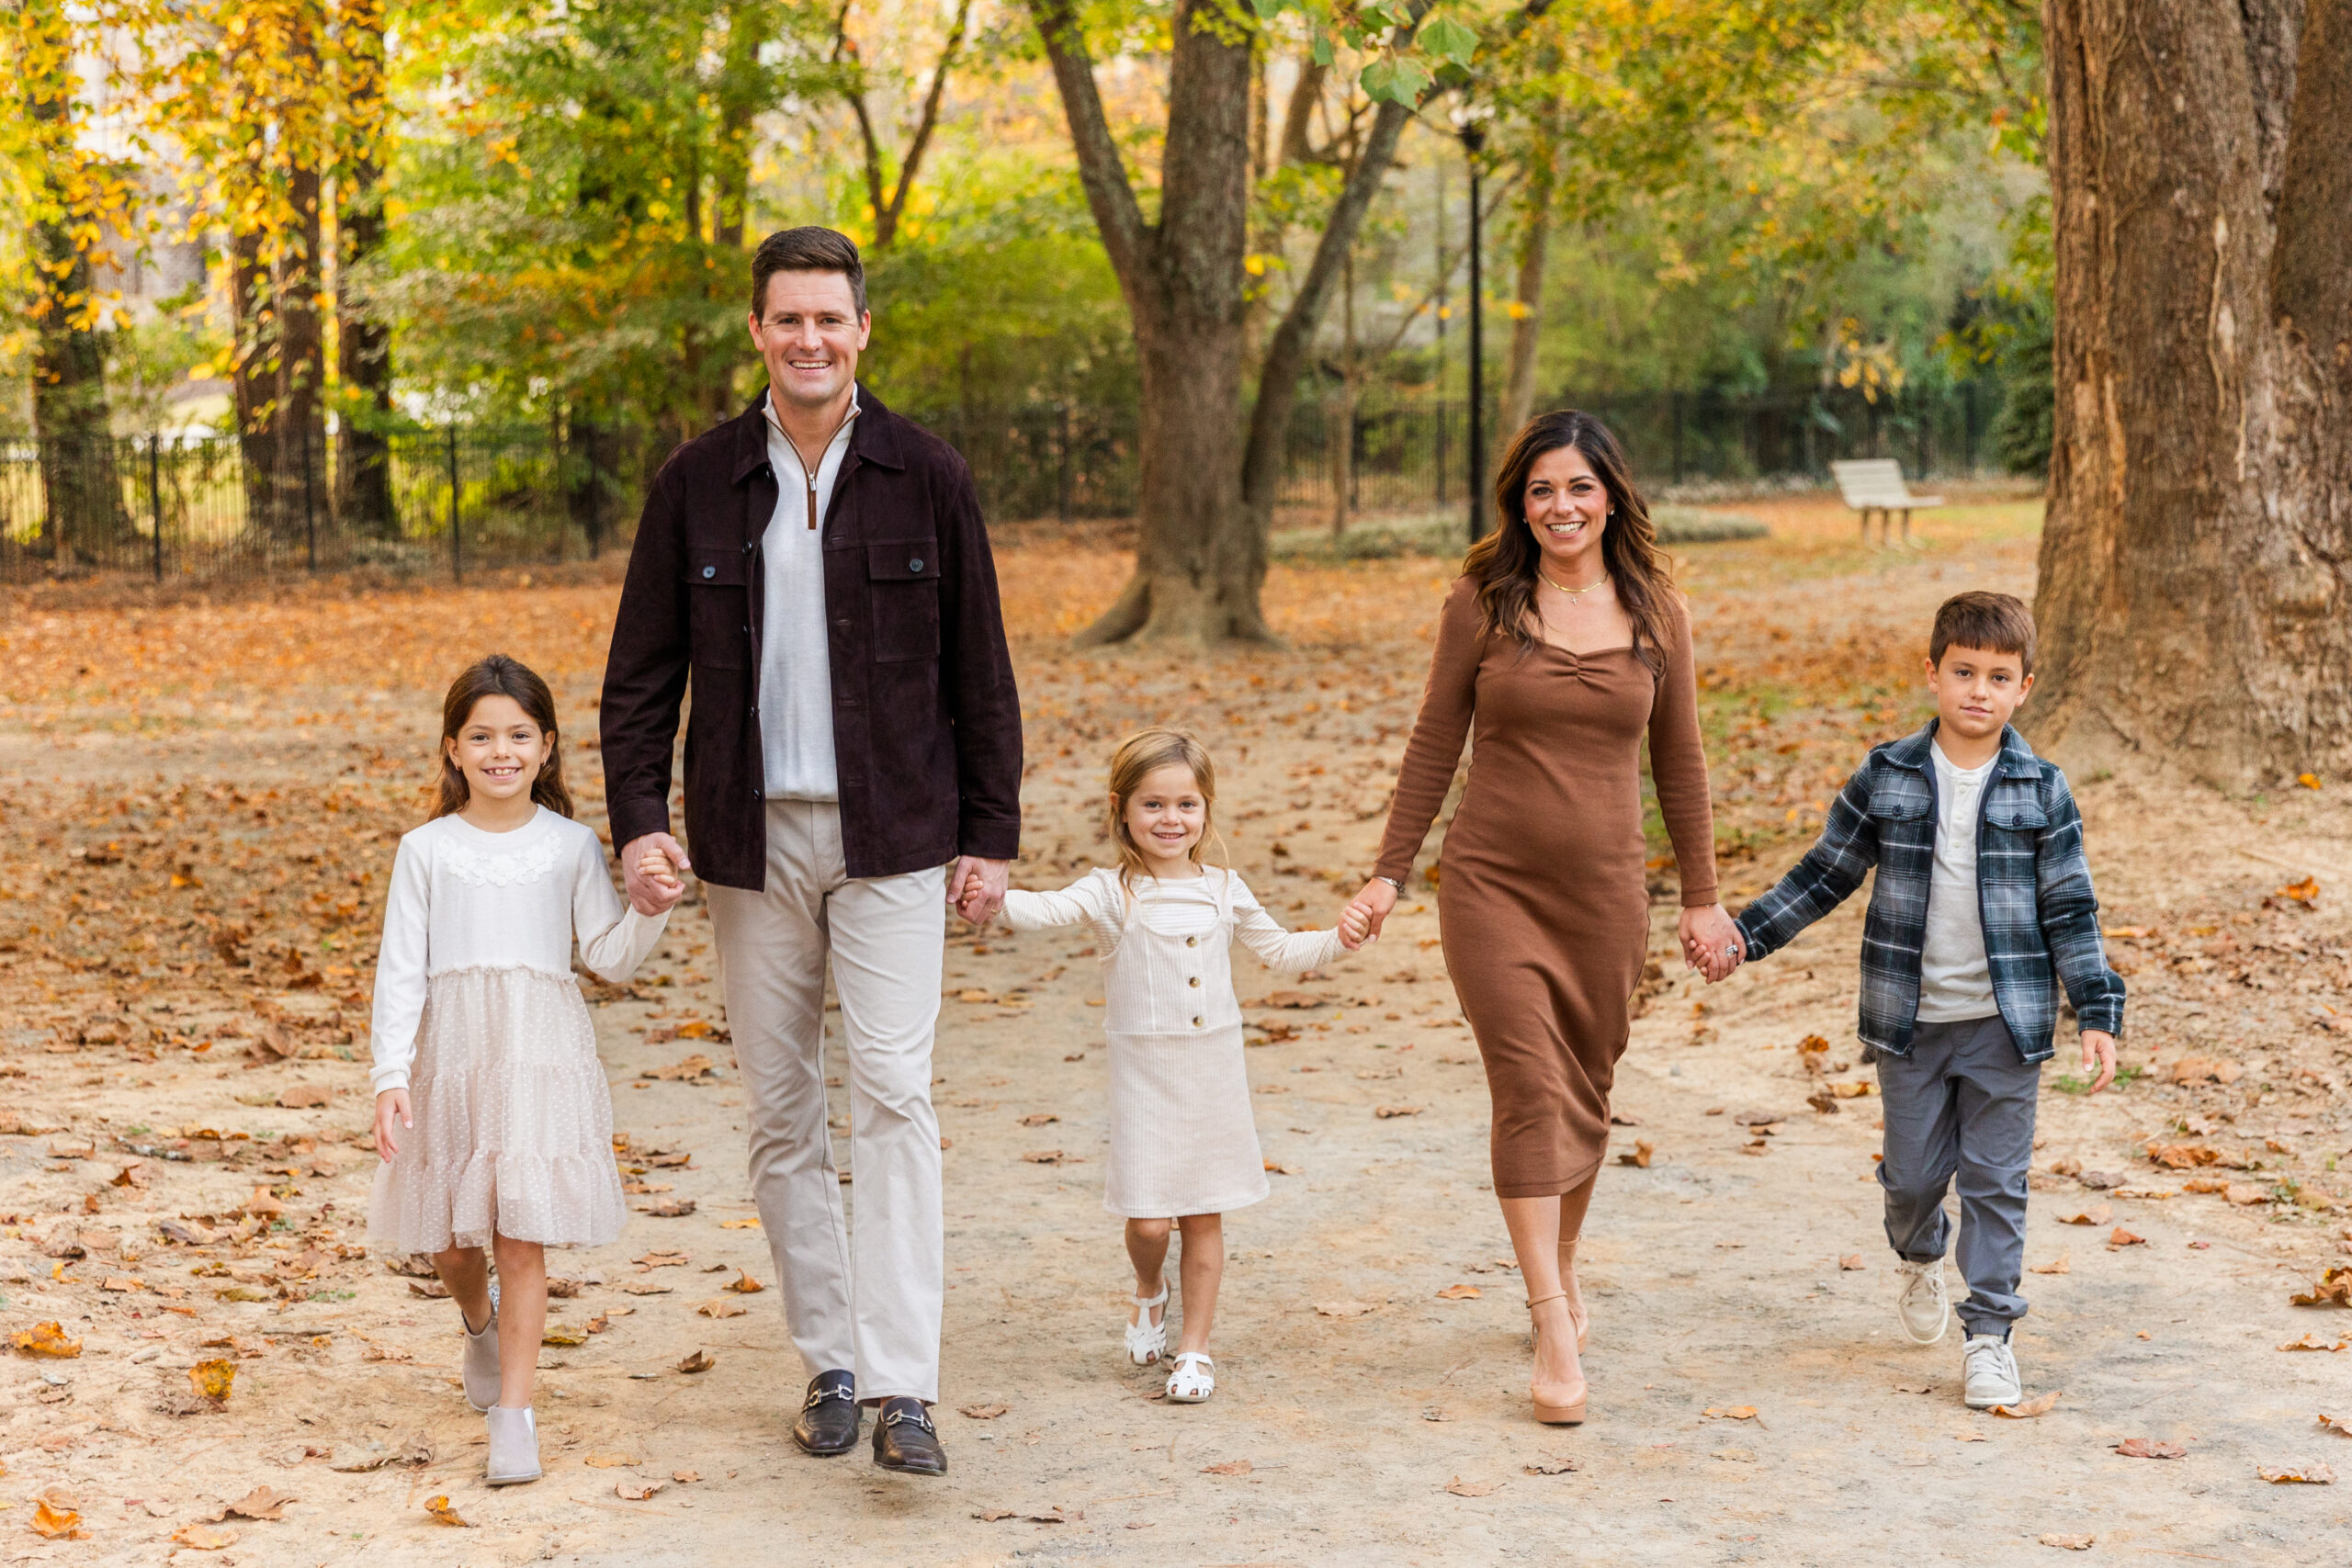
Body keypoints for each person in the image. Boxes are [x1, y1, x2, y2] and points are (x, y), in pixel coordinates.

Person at [599, 225, 1021, 1478]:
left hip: (895, 838)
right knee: (783, 1109)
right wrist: (639, 817)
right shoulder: (698, 481)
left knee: (894, 1094)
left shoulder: (927, 476)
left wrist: (989, 836)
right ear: (758, 334)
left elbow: (981, 673)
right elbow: (640, 676)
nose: (810, 339)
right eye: (788, 319)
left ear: (863, 330)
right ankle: (829, 1361)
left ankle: (904, 1384)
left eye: (830, 318)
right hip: (748, 839)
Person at [1342, 410, 1741, 1427]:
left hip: (1605, 895)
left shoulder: (1658, 612)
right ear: (1519, 505)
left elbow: (1680, 764)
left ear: (1610, 494)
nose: (1559, 507)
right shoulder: (1482, 602)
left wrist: (1700, 897)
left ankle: (1555, 1270)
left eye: (1577, 487)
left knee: (1584, 1090)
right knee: (1526, 1085)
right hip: (1492, 886)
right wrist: (1390, 873)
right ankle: (1552, 1318)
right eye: (1539, 491)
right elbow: (1436, 740)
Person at [1729, 591, 2125, 1409]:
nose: (1980, 689)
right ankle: (1918, 1257)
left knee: (1995, 1180)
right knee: (1912, 1178)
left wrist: (2096, 1009)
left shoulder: (2042, 790)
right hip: (1908, 1023)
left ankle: (1990, 1336)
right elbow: (1824, 872)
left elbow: (2070, 908)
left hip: (2006, 1025)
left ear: (2025, 687)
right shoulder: (1888, 774)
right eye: (1964, 671)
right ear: (1933, 673)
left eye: (1999, 676)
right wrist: (1745, 934)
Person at [369, 655, 682, 1487]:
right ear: (452, 748)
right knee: (446, 1240)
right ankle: (477, 1320)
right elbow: (400, 969)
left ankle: (514, 1415)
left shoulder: (571, 846)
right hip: (454, 1055)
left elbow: (608, 958)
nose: (499, 751)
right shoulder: (426, 849)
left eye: (518, 735)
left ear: (547, 747)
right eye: (481, 735)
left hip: (538, 1055)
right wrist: (388, 1074)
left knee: (518, 1234)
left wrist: (647, 911)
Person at [988, 728, 1371, 1404]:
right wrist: (983, 894)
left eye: (1187, 805)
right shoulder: (1111, 891)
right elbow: (1044, 909)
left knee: (1202, 1215)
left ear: (1206, 810)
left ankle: (1194, 1348)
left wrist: (1340, 940)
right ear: (1122, 810)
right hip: (1145, 1076)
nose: (1172, 820)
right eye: (1154, 805)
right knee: (1148, 1223)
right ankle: (1148, 1288)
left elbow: (1279, 949)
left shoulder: (1224, 887)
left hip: (1212, 1074)